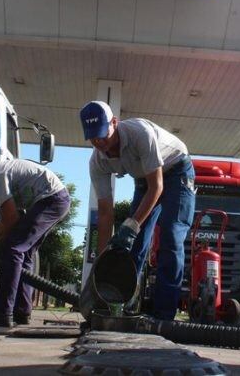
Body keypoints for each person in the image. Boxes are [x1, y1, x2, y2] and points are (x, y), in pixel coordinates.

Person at [79, 100, 196, 320]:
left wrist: (131, 225)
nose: (99, 141)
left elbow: (157, 186)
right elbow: (105, 213)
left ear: (115, 122)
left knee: (171, 235)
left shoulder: (140, 133)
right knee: (133, 247)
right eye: (93, 137)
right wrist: (103, 260)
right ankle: (125, 307)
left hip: (176, 171)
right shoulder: (97, 162)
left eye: (103, 134)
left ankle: (164, 316)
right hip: (144, 179)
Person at [0, 153, 70, 327]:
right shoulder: (0, 173)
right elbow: (13, 220)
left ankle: (2, 312)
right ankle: (21, 311)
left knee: (13, 250)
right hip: (56, 199)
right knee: (23, 254)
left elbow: (11, 220)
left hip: (51, 199)